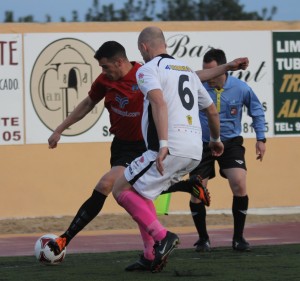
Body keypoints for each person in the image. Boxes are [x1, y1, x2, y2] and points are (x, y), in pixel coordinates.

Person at [46, 40, 248, 261]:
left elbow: (195, 76)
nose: (103, 72)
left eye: (105, 66)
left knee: (109, 185)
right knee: (140, 196)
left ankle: (66, 238)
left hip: (145, 145)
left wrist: (227, 67)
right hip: (121, 146)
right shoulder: (105, 80)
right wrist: (60, 129)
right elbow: (87, 103)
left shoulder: (146, 72)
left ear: (119, 61)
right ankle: (153, 249)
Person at [112, 26, 224, 273]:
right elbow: (212, 111)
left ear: (143, 47)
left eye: (140, 51)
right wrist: (216, 139)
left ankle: (163, 237)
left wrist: (163, 145)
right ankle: (150, 254)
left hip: (169, 146)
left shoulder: (148, 70)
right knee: (141, 194)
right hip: (194, 150)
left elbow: (159, 102)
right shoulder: (185, 70)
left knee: (120, 189)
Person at [189, 48, 266, 253]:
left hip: (231, 143)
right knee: (197, 192)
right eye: (207, 72)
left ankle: (239, 238)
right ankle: (203, 239)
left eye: (213, 72)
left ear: (224, 70)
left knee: (239, 182)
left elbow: (257, 111)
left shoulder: (241, 88)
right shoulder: (197, 86)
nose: (210, 77)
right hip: (202, 143)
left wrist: (261, 139)